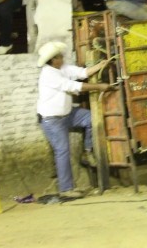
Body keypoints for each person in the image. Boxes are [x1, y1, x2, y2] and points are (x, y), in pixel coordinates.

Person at [36, 41, 114, 199]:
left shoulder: (60, 68)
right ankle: (66, 189)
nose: (62, 58)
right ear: (53, 60)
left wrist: (100, 65)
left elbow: (82, 73)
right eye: (59, 57)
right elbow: (74, 86)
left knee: (91, 118)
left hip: (66, 114)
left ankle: (87, 151)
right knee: (62, 151)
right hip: (53, 120)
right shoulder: (49, 74)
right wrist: (100, 87)